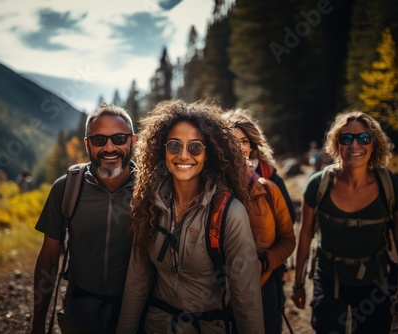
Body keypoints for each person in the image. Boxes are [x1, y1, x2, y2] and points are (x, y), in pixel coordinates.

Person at [117, 100, 264, 333]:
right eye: (174, 145)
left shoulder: (229, 214)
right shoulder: (148, 205)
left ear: (209, 153)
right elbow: (137, 280)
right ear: (162, 149)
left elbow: (246, 299)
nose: (184, 155)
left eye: (195, 147)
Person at [292, 110, 398, 333]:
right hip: (329, 280)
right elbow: (305, 235)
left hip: (374, 282)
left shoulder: (391, 186)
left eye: (364, 138)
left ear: (374, 144)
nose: (355, 145)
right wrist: (299, 283)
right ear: (336, 144)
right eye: (346, 138)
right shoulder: (317, 185)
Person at [31, 103, 137, 333]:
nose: (110, 147)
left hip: (138, 319)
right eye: (99, 140)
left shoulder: (150, 190)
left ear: (132, 141)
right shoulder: (67, 187)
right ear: (87, 144)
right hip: (80, 317)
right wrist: (37, 322)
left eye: (119, 138)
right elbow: (49, 258)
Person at [223, 109, 296, 333]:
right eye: (230, 141)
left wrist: (267, 263)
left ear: (252, 145)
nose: (238, 147)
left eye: (244, 141)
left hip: (265, 282)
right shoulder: (209, 185)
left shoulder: (269, 182)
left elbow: (287, 230)